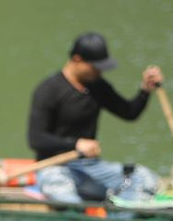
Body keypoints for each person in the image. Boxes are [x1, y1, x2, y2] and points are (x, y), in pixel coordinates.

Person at [27, 31, 164, 204]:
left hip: (90, 167)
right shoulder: (49, 90)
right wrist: (76, 144)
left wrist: (145, 90)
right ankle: (81, 220)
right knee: (67, 199)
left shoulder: (97, 87)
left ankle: (122, 219)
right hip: (54, 167)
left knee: (143, 178)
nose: (99, 72)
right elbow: (36, 139)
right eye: (95, 67)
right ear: (77, 59)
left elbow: (129, 113)